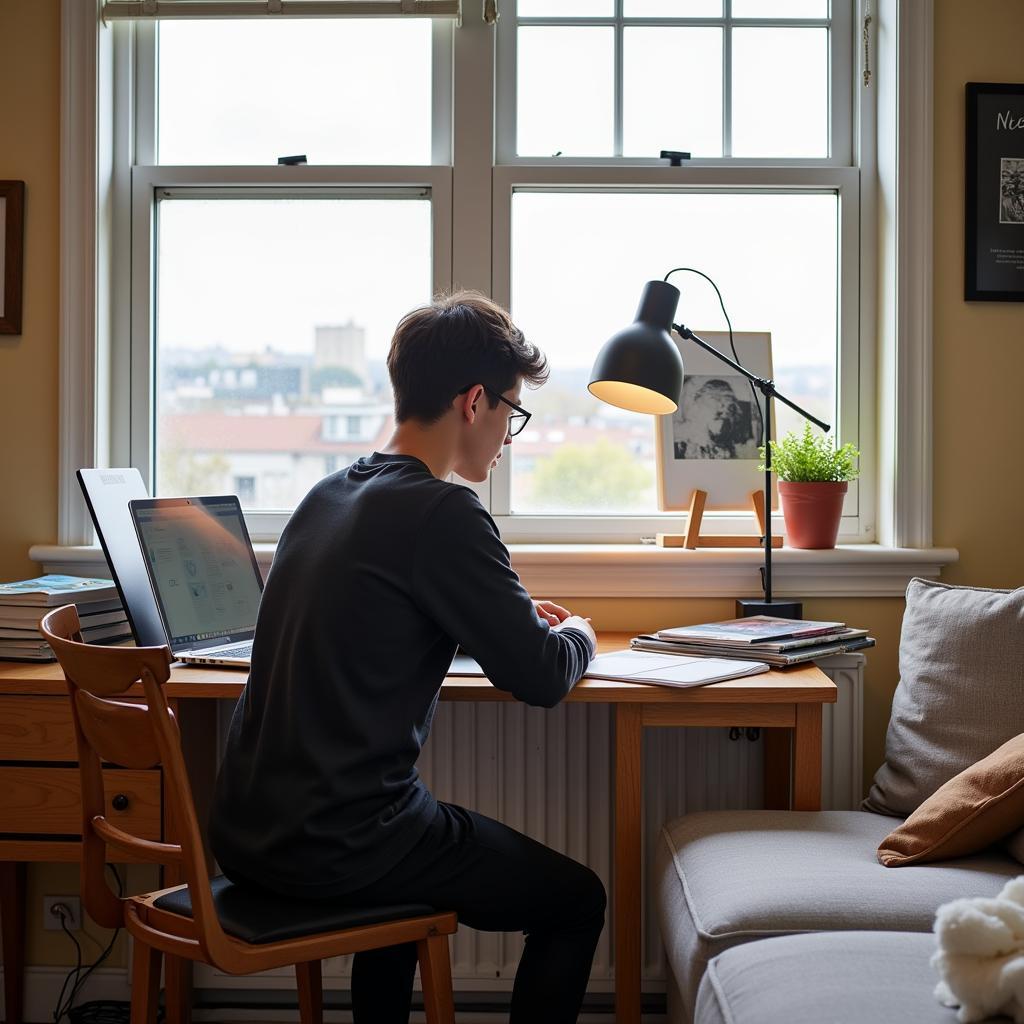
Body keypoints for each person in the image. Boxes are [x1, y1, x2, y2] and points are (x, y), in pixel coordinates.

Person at [209, 291, 604, 1023]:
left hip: (247, 834)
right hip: (342, 843)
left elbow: (379, 609)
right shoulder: (444, 511)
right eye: (512, 415)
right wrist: (579, 630)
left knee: (402, 873)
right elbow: (542, 677)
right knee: (579, 900)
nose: (509, 436)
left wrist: (499, 615)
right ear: (475, 401)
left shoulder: (328, 495)